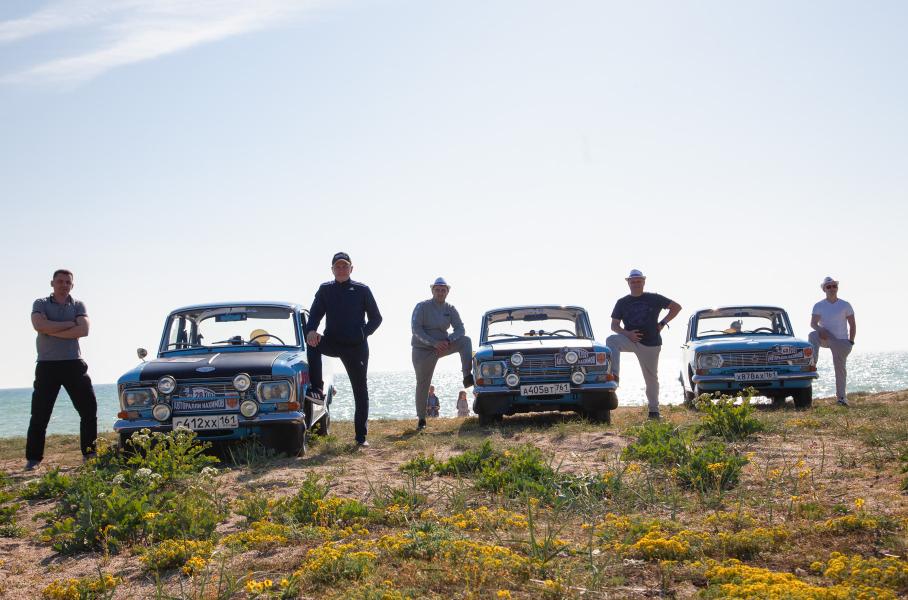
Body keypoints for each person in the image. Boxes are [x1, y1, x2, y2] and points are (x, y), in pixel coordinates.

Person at [305, 252, 382, 446]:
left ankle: (361, 437)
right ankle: (317, 388)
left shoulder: (362, 290)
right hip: (332, 342)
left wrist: (362, 334)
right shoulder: (325, 289)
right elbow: (314, 315)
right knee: (312, 342)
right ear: (332, 269)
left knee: (360, 390)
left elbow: (376, 318)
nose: (341, 269)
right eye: (337, 266)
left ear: (351, 268)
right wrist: (311, 330)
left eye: (344, 266)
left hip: (356, 347)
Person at [27, 269, 98, 471]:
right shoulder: (40, 303)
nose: (64, 285)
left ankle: (90, 454)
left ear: (72, 285)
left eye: (68, 282)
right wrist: (69, 324)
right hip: (47, 365)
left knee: (88, 410)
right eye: (60, 281)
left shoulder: (78, 305)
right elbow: (38, 325)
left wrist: (51, 329)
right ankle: (33, 459)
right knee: (40, 414)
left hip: (73, 363)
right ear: (52, 283)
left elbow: (83, 330)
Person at [606, 269, 682, 420]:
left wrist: (662, 323)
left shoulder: (654, 298)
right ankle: (615, 375)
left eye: (638, 281)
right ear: (628, 283)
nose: (636, 284)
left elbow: (676, 307)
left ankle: (654, 411)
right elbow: (614, 325)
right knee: (611, 340)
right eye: (633, 281)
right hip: (630, 340)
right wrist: (627, 334)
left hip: (651, 343)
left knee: (651, 378)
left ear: (644, 282)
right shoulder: (622, 302)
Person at [411, 277, 473, 430]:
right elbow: (415, 329)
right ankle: (421, 419)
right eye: (437, 290)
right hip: (423, 350)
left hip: (444, 345)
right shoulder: (422, 306)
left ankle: (467, 376)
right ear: (432, 291)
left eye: (443, 290)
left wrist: (448, 340)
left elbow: (460, 329)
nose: (440, 292)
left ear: (447, 292)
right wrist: (433, 343)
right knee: (423, 383)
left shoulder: (450, 309)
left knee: (465, 341)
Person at [808, 276, 856, 407]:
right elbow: (813, 323)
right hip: (826, 337)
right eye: (828, 286)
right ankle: (812, 362)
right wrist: (820, 329)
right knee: (812, 335)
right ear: (824, 289)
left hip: (841, 341)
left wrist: (851, 342)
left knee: (840, 370)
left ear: (837, 288)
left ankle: (842, 398)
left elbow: (852, 324)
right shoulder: (819, 305)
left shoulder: (845, 305)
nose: (832, 288)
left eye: (834, 286)